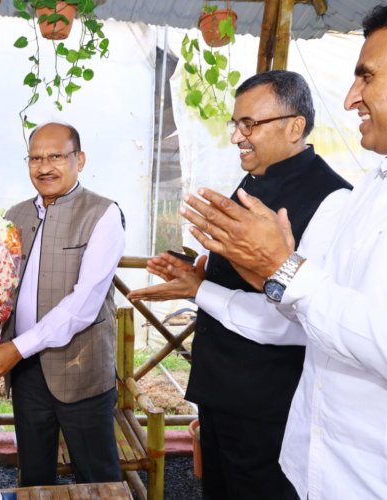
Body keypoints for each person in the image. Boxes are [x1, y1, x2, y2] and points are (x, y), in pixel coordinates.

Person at [178, 1, 387, 498]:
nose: (351, 97)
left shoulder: (332, 196)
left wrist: (277, 269)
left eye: (367, 77)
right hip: (311, 458)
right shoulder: (373, 187)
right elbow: (305, 307)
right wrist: (244, 270)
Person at [128, 71, 351, 499]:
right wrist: (198, 269)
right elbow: (244, 273)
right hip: (221, 391)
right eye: (236, 124)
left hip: (270, 406)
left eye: (250, 124)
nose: (236, 136)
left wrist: (200, 290)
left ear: (295, 126)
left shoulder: (332, 201)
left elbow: (294, 322)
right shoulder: (255, 178)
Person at [0, 122, 125, 486]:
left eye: (56, 156)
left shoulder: (103, 214)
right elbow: (3, 285)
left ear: (80, 159)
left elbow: (84, 305)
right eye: (35, 158)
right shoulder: (15, 214)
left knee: (97, 478)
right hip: (26, 371)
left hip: (80, 368)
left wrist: (15, 349)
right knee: (34, 473)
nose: (44, 167)